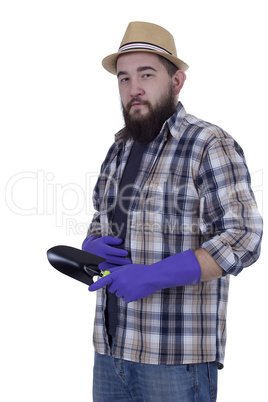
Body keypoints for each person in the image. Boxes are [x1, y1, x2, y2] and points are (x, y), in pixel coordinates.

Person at [82, 21, 263, 401]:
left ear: (176, 82)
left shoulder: (208, 143)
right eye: (124, 78)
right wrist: (92, 242)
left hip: (175, 359)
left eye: (147, 75)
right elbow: (102, 216)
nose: (134, 89)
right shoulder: (119, 150)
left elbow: (244, 236)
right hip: (111, 351)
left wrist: (155, 276)